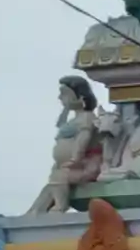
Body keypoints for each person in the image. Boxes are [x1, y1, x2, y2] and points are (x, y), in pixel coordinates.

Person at [28, 76, 104, 214]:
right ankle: (36, 211)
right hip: (65, 167)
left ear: (80, 96)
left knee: (58, 178)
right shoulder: (74, 119)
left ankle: (60, 206)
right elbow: (60, 125)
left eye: (64, 94)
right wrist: (67, 108)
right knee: (49, 187)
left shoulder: (87, 117)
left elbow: (83, 139)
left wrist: (76, 159)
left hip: (84, 166)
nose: (60, 98)